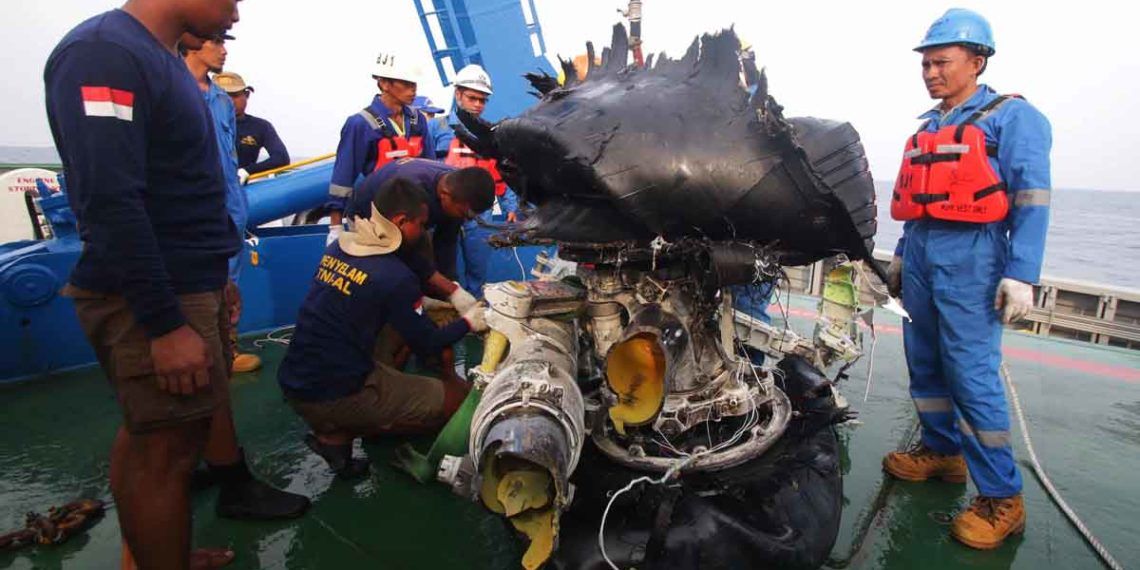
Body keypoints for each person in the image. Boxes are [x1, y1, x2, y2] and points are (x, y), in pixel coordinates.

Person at [45, 1, 241, 567]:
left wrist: (216, 277)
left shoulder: (156, 57)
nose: (235, 15)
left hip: (187, 283)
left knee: (154, 438)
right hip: (156, 300)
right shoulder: (105, 54)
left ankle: (163, 557)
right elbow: (110, 199)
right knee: (164, 454)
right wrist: (165, 323)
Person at [882, 8, 1051, 550]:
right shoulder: (929, 126)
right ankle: (943, 453)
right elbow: (921, 204)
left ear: (977, 61)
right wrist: (904, 256)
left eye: (942, 62)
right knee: (925, 359)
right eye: (926, 63)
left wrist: (1021, 273)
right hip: (926, 252)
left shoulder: (1013, 118)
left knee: (971, 375)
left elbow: (1032, 200)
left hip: (975, 257)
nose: (931, 72)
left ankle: (1004, 498)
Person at [278, 177, 489, 478]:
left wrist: (427, 300)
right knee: (458, 401)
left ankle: (332, 441)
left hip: (297, 380)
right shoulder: (394, 277)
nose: (423, 231)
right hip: (338, 393)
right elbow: (428, 342)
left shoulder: (339, 249)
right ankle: (353, 423)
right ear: (402, 221)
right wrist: (469, 322)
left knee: (383, 360)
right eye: (421, 224)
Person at [181, 32, 310, 521]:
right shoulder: (161, 86)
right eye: (217, 36)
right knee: (178, 386)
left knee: (211, 368)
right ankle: (188, 471)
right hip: (186, 248)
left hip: (221, 236)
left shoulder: (215, 100)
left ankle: (224, 471)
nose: (225, 42)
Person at [348, 158, 495, 302]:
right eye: (464, 214)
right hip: (366, 216)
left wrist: (451, 287)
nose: (467, 220)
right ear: (445, 195)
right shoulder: (412, 190)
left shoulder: (459, 189)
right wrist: (448, 288)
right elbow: (402, 248)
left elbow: (446, 243)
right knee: (387, 276)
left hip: (408, 218)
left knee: (426, 268)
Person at [326, 53, 432, 245]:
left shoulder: (418, 121)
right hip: (375, 215)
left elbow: (430, 165)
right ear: (384, 83)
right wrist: (335, 227)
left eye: (414, 84)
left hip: (413, 215)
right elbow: (343, 176)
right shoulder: (360, 124)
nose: (413, 90)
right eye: (406, 84)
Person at [437, 64, 519, 293]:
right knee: (443, 269)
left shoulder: (491, 133)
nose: (478, 105)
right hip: (444, 212)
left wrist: (510, 206)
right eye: (472, 98)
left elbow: (503, 172)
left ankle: (474, 315)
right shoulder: (437, 128)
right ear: (458, 94)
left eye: (482, 100)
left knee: (477, 270)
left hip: (477, 215)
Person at [214, 71, 291, 175]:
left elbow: (281, 158)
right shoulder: (202, 124)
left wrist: (247, 171)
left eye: (235, 95)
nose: (230, 101)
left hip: (246, 185)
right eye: (224, 97)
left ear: (246, 95)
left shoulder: (261, 126)